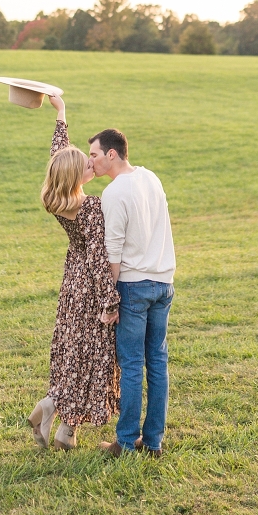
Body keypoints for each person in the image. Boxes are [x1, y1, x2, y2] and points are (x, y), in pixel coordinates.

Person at [27, 94, 120, 451]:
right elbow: (98, 260)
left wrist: (61, 114)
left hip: (71, 284)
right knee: (90, 355)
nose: (91, 166)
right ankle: (56, 413)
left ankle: (63, 425)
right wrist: (109, 302)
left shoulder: (59, 199)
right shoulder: (91, 208)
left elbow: (59, 158)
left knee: (72, 352)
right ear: (75, 176)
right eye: (86, 166)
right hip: (91, 288)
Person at [88, 128, 176, 457]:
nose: (91, 162)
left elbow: (113, 251)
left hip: (134, 285)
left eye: (94, 155)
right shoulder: (151, 177)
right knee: (158, 362)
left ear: (111, 154)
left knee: (132, 364)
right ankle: (153, 443)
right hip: (163, 282)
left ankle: (125, 442)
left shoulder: (114, 192)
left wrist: (109, 300)